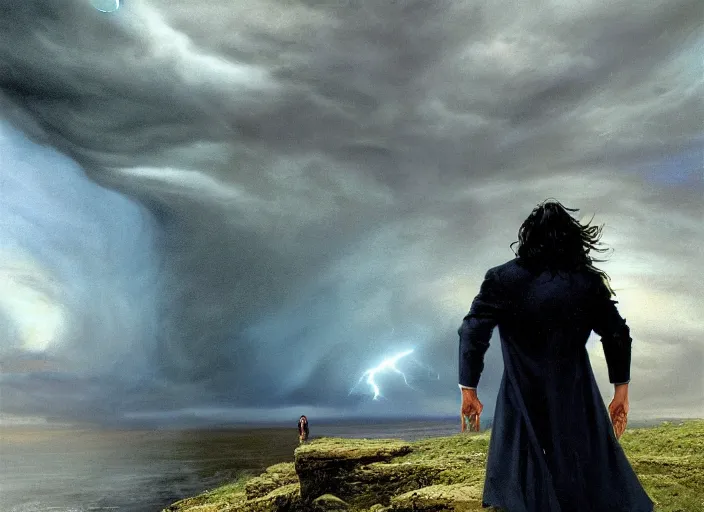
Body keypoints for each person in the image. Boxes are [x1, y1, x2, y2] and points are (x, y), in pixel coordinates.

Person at [458, 199, 654, 512]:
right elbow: (617, 334)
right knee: (583, 484)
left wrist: (468, 389)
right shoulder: (586, 282)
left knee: (523, 489)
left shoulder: (502, 279)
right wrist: (621, 392)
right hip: (575, 396)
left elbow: (472, 331)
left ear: (528, 237)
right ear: (572, 238)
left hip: (520, 397)